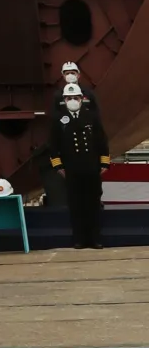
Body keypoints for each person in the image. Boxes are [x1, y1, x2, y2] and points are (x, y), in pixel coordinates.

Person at [51, 79, 110, 249]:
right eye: (69, 98)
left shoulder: (91, 117)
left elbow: (102, 141)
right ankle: (79, 239)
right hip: (72, 170)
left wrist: (104, 163)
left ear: (81, 98)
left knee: (93, 203)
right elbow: (53, 145)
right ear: (64, 100)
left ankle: (95, 239)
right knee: (76, 205)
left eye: (75, 97)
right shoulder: (59, 120)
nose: (72, 101)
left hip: (91, 168)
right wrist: (58, 167)